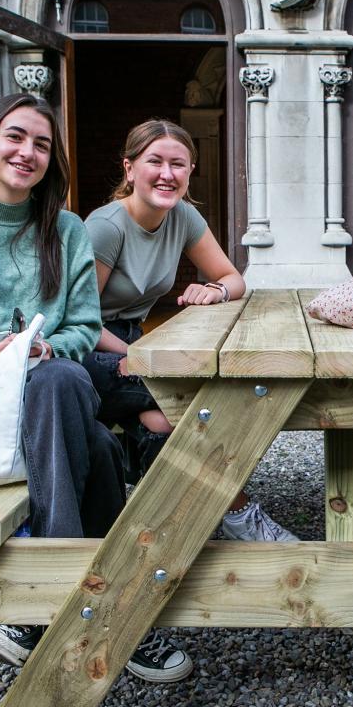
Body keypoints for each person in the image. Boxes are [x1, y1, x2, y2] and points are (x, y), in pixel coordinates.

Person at [0, 94, 191, 683]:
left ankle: (54, 610)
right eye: (16, 137)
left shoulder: (67, 229)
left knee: (159, 387)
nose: (28, 152)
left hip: (56, 378)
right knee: (88, 428)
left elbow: (80, 326)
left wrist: (48, 347)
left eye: (42, 144)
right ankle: (106, 612)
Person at [81, 118, 299, 543]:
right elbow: (81, 320)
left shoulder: (183, 216)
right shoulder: (105, 227)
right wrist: (139, 354)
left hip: (131, 339)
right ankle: (234, 513)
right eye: (155, 162)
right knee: (195, 398)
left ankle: (162, 526)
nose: (167, 174)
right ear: (129, 169)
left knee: (162, 419)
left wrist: (212, 290)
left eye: (178, 164)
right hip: (88, 348)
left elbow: (234, 279)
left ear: (190, 171)